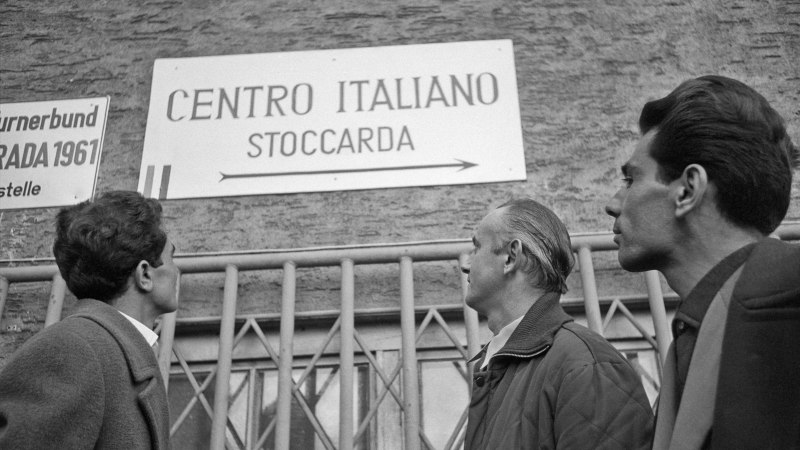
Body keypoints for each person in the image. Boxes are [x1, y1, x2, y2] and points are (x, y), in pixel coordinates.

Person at [605, 75, 800, 449]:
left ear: (688, 189)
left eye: (632, 179)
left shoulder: (785, 315)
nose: (613, 203)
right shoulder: (701, 324)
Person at [462, 198, 653, 450]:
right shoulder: (504, 364)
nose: (466, 265)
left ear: (511, 256)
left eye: (476, 248)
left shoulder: (587, 366)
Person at [0, 190, 180, 449]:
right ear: (145, 275)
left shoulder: (107, 351)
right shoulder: (71, 350)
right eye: (172, 258)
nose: (176, 271)